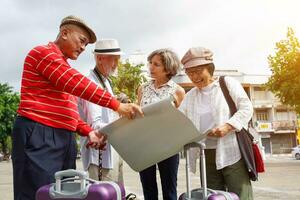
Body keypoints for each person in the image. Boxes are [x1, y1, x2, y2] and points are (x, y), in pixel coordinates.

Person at [11, 16, 142, 200]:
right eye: (81, 41)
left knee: (63, 194)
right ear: (64, 33)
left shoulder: (62, 69)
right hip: (39, 131)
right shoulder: (43, 53)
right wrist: (117, 105)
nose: (82, 48)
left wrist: (88, 132)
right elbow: (75, 82)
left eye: (86, 45)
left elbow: (69, 111)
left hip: (63, 137)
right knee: (36, 192)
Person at [179, 47, 254, 200]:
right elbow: (178, 120)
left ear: (209, 69)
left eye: (199, 71)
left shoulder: (226, 84)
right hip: (205, 153)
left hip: (231, 150)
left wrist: (228, 126)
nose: (194, 77)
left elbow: (246, 108)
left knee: (240, 196)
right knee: (212, 196)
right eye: (190, 73)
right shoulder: (190, 96)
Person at [137, 48, 185, 200]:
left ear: (168, 68)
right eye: (150, 63)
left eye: (156, 64)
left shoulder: (178, 91)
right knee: (148, 190)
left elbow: (180, 121)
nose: (151, 67)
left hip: (168, 146)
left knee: (169, 191)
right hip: (145, 144)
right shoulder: (142, 88)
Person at [79, 39, 125, 183]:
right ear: (99, 58)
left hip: (113, 150)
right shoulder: (91, 83)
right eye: (114, 60)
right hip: (100, 155)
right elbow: (95, 124)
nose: (116, 64)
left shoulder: (105, 81)